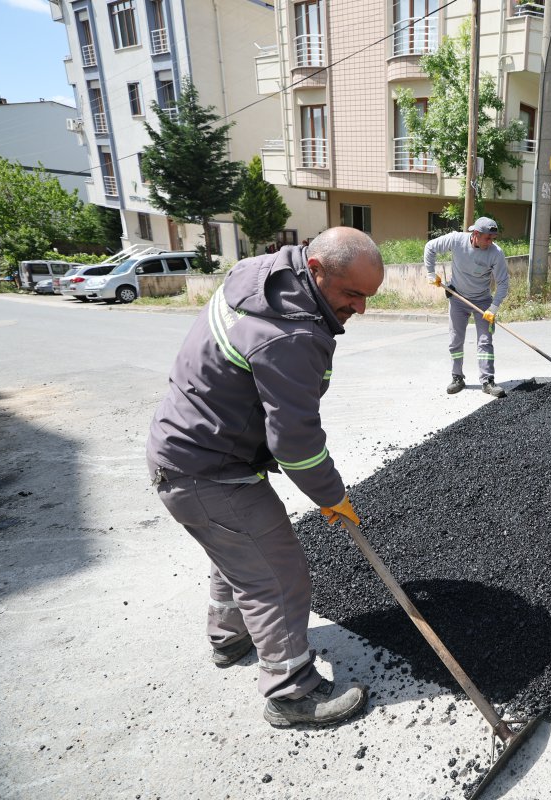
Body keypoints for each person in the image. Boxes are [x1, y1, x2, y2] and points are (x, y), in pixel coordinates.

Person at [147, 227, 384, 729]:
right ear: (315, 270)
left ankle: (229, 638)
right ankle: (290, 690)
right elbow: (295, 444)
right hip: (206, 469)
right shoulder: (292, 334)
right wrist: (332, 496)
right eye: (352, 294)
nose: (361, 309)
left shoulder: (263, 274)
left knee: (239, 553)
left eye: (368, 297)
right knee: (278, 575)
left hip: (190, 450)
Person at [425, 217, 509, 398]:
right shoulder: (456, 240)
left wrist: (493, 308)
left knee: (485, 341)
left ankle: (487, 380)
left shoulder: (496, 253)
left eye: (493, 238)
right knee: (455, 340)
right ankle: (457, 378)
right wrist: (430, 273)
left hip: (483, 301)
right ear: (476, 234)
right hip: (458, 298)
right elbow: (430, 247)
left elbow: (503, 283)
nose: (491, 242)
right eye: (488, 238)